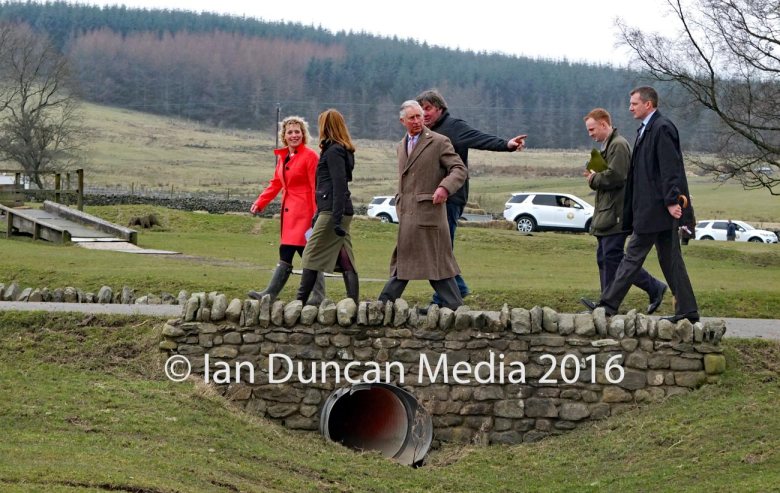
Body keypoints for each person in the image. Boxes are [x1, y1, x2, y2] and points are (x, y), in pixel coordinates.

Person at [582, 86, 700, 323]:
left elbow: (670, 169)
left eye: (634, 104)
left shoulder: (662, 128)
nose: (630, 108)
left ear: (648, 104)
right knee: (670, 261)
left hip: (655, 209)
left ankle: (607, 306)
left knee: (632, 258)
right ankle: (688, 311)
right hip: (652, 209)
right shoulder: (647, 129)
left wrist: (671, 201)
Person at [415, 89, 527, 301]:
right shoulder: (425, 131)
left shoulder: (454, 127)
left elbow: (480, 138)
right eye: (421, 109)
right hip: (431, 199)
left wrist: (507, 145)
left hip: (450, 198)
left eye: (428, 108)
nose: (424, 113)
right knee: (438, 248)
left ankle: (446, 297)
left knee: (441, 248)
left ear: (440, 108)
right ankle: (454, 290)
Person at [377, 100, 468, 310]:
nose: (417, 121)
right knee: (406, 262)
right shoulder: (401, 146)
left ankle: (382, 305)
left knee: (436, 264)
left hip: (429, 215)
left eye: (420, 116)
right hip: (407, 215)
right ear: (403, 121)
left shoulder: (439, 141)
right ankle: (383, 305)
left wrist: (444, 188)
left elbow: (459, 169)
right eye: (412, 117)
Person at [580, 108, 667, 314]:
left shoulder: (618, 145)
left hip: (617, 213)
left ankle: (651, 288)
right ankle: (606, 304)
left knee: (614, 258)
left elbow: (617, 176)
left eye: (592, 129)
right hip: (607, 212)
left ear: (604, 124)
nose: (590, 134)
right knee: (606, 258)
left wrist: (593, 178)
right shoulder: (608, 146)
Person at [248, 115, 324, 304]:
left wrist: (317, 215)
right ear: (284, 136)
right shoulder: (283, 157)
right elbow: (276, 183)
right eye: (290, 132)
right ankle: (272, 294)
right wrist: (260, 202)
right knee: (294, 252)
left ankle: (315, 295)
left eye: (297, 131)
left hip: (305, 214)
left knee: (304, 252)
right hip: (290, 215)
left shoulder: (310, 156)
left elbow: (316, 187)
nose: (294, 135)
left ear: (303, 134)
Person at [295, 109, 359, 303]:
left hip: (333, 210)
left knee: (311, 253)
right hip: (336, 208)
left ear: (326, 126)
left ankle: (299, 301)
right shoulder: (340, 149)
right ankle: (353, 302)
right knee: (345, 256)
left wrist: (335, 218)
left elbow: (339, 185)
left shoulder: (334, 151)